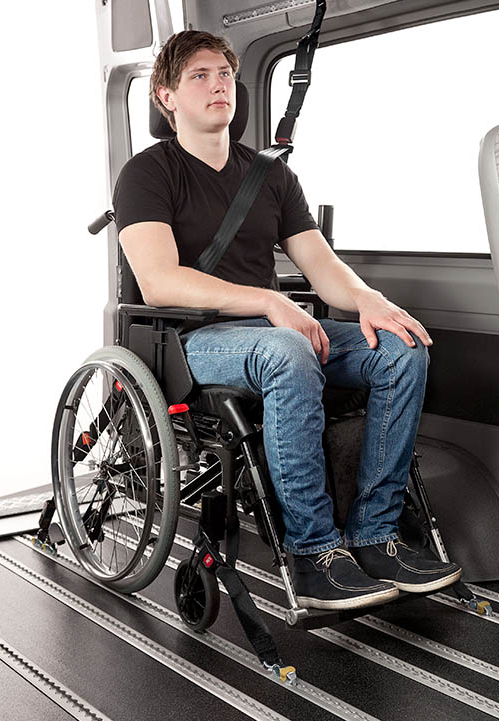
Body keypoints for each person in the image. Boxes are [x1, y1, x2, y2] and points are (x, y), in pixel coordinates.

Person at [112, 30, 461, 611]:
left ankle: (376, 533)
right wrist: (271, 302)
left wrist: (368, 300)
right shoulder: (146, 174)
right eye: (199, 75)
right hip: (193, 339)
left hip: (266, 335)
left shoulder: (270, 175)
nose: (218, 84)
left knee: (402, 349)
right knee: (289, 351)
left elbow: (323, 268)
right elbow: (159, 280)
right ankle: (313, 551)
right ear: (166, 94)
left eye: (225, 74)